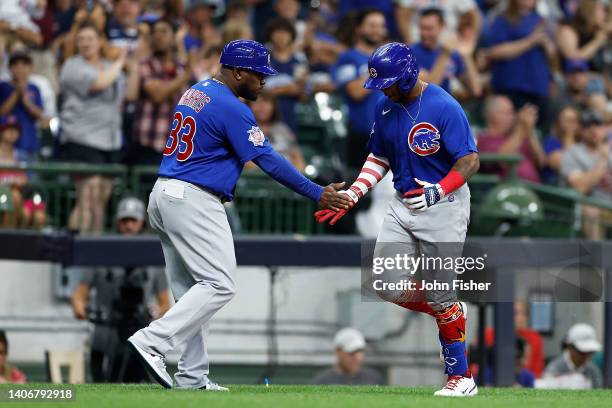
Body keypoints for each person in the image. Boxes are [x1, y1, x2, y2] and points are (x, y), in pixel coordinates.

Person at [127, 39, 351, 390]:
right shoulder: (231, 106)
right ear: (238, 72)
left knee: (192, 294)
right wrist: (316, 192)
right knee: (219, 284)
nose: (265, 81)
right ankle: (152, 340)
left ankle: (192, 376)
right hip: (193, 198)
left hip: (165, 194)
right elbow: (269, 160)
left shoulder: (197, 91)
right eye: (260, 74)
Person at [316, 43, 480, 396]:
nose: (384, 90)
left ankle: (461, 378)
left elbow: (469, 161)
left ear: (408, 75)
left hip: (444, 205)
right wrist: (355, 194)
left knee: (439, 294)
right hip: (402, 203)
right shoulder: (384, 105)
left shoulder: (444, 106)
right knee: (385, 283)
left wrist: (438, 190)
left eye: (389, 82)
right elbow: (379, 157)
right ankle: (448, 309)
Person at [71, 197, 171, 383]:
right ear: (118, 222)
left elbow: (165, 303)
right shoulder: (101, 255)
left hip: (139, 334)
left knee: (136, 384)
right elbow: (79, 294)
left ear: (141, 223)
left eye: (133, 220)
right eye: (125, 220)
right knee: (101, 383)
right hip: (105, 331)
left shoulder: (152, 259)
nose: (129, 225)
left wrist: (155, 312)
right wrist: (83, 309)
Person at [58, 22, 138, 233]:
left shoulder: (107, 65)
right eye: (81, 39)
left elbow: (129, 95)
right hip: (83, 139)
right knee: (87, 199)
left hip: (110, 141)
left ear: (100, 42)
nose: (85, 43)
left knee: (100, 201)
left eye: (90, 39)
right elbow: (100, 83)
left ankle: (95, 252)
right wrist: (121, 60)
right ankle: (73, 255)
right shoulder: (72, 66)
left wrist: (134, 68)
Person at [129, 18, 192, 166]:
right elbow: (158, 95)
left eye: (163, 31)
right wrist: (185, 76)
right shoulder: (145, 65)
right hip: (148, 144)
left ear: (173, 37)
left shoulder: (182, 68)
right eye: (155, 32)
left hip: (176, 147)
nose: (158, 35)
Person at [484, 0, 556, 129]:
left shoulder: (541, 21)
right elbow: (495, 51)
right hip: (512, 88)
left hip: (538, 90)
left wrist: (546, 43)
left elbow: (552, 56)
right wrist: (530, 41)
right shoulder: (503, 20)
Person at [332, 8, 386, 170]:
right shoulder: (348, 58)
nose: (377, 30)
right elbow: (355, 92)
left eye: (380, 26)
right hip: (361, 135)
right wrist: (382, 69)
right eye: (372, 25)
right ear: (359, 28)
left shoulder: (388, 58)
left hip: (390, 133)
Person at [560, 109, 611, 240]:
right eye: (588, 126)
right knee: (591, 210)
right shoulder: (573, 154)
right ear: (581, 130)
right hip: (593, 206)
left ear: (605, 128)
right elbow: (580, 187)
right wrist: (603, 160)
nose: (594, 130)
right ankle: (598, 259)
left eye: (598, 125)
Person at [410, 7, 481, 98]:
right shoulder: (410, 53)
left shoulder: (452, 53)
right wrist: (444, 55)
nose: (424, 33)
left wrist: (466, 55)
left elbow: (476, 90)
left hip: (445, 108)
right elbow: (428, 91)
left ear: (442, 26)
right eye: (422, 28)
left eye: (429, 29)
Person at [477, 95, 546, 183]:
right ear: (493, 115)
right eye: (508, 112)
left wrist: (529, 130)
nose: (513, 117)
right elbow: (503, 160)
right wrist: (522, 130)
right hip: (508, 192)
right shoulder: (484, 139)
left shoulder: (517, 136)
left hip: (535, 190)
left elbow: (541, 162)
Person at [264, 17, 308, 133]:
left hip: (291, 117)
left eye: (285, 32)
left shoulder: (299, 62)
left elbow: (304, 96)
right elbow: (255, 93)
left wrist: (301, 88)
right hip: (264, 119)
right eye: (277, 32)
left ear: (291, 35)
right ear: (270, 35)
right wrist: (285, 89)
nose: (281, 36)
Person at [0, 50, 45, 160]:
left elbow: (40, 115)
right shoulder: (3, 87)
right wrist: (16, 93)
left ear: (30, 68)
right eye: (15, 64)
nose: (20, 68)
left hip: (29, 143)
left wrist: (25, 99)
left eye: (24, 64)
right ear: (10, 68)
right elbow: (2, 112)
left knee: (31, 177)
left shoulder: (34, 88)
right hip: (7, 147)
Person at [248, 92, 305, 171]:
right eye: (256, 102)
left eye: (265, 102)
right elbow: (247, 163)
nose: (261, 107)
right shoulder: (245, 129)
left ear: (273, 106)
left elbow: (297, 157)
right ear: (248, 106)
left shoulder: (283, 128)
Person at [556, 0, 612, 75]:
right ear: (589, 10)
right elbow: (573, 58)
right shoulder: (568, 29)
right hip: (572, 81)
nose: (605, 14)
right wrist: (598, 41)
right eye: (602, 9)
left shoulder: (597, 30)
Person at [540, 323, 603, 389]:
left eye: (589, 352)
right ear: (570, 347)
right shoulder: (554, 369)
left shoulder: (593, 371)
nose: (586, 356)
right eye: (582, 352)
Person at [312, 327, 383, 385]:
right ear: (338, 351)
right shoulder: (323, 381)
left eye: (360, 351)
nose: (359, 357)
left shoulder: (373, 378)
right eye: (352, 352)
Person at [541, 105, 580, 185]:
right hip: (554, 185)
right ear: (558, 122)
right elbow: (563, 166)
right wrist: (569, 137)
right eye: (567, 120)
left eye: (573, 120)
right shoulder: (551, 141)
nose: (571, 124)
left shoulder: (581, 144)